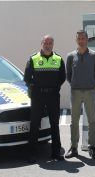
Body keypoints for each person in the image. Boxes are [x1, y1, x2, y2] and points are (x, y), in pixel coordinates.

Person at [24, 35, 66, 163]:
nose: (48, 45)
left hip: (53, 95)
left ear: (53, 44)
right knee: (35, 124)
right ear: (41, 43)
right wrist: (35, 88)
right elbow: (27, 78)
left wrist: (54, 87)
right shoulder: (33, 58)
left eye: (50, 43)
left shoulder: (58, 59)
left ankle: (56, 153)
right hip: (38, 96)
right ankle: (32, 154)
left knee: (54, 124)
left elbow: (62, 77)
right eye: (45, 42)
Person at [65, 30, 95, 159]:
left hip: (90, 92)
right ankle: (73, 147)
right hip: (75, 92)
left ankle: (92, 147)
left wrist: (93, 89)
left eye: (83, 38)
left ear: (87, 40)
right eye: (79, 38)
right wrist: (74, 85)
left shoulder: (94, 55)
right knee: (74, 121)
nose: (81, 40)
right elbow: (68, 75)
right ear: (76, 40)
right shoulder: (70, 56)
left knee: (92, 121)